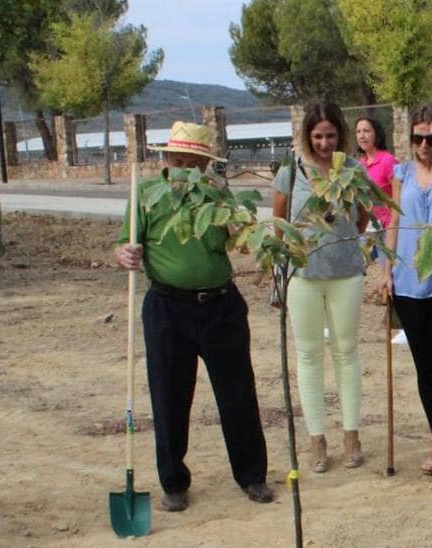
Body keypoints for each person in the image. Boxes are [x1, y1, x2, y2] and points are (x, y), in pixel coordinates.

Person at [113, 120, 275, 511]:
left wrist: (236, 215)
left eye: (194, 162)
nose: (186, 168)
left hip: (221, 307)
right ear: (166, 160)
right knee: (169, 396)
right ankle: (174, 482)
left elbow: (240, 244)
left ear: (205, 166)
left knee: (237, 393)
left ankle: (252, 476)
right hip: (167, 309)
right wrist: (124, 253)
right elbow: (124, 243)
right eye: (179, 160)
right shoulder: (148, 195)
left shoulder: (217, 197)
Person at [273, 102, 371, 473]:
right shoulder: (291, 169)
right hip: (302, 275)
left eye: (331, 135)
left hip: (346, 272)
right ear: (307, 136)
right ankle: (317, 440)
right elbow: (279, 218)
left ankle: (351, 436)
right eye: (318, 136)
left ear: (340, 135)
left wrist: (343, 244)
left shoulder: (352, 169)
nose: (325, 143)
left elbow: (363, 217)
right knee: (309, 355)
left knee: (347, 353)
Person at [378, 103, 432, 476]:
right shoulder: (401, 173)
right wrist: (386, 268)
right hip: (409, 280)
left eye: (431, 138)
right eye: (417, 138)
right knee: (426, 366)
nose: (424, 145)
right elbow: (394, 218)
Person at [354, 115, 397, 232]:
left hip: (387, 229)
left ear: (376, 134)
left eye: (366, 131)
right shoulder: (358, 164)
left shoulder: (388, 161)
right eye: (358, 132)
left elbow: (400, 198)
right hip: (365, 230)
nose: (362, 136)